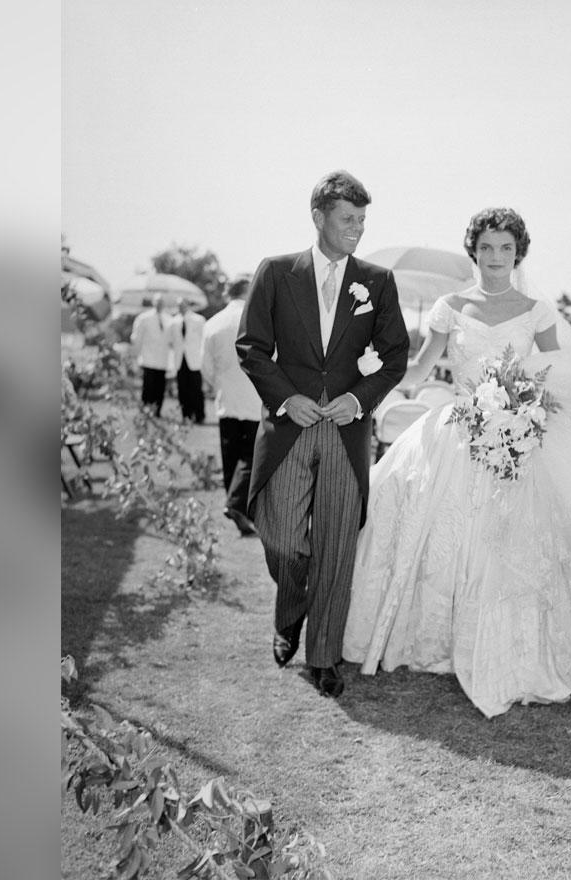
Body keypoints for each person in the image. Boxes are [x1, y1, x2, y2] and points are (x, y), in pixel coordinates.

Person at [342, 207, 571, 718]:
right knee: (426, 521)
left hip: (516, 434)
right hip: (458, 429)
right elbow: (423, 367)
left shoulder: (537, 310)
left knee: (514, 540)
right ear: (474, 250)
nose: (496, 257)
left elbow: (563, 371)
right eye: (487, 247)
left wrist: (527, 403)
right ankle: (436, 638)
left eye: (506, 248)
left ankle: (514, 645)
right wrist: (368, 371)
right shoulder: (450, 306)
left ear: (519, 253)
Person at [236, 170, 410, 698]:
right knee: (283, 536)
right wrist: (288, 398)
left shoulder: (377, 281)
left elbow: (396, 356)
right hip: (289, 427)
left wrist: (358, 400)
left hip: (346, 431)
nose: (356, 228)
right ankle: (290, 609)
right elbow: (251, 347)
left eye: (361, 220)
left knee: (336, 544)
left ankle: (325, 656)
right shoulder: (274, 272)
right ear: (319, 217)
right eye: (346, 219)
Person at [201, 275, 263, 537]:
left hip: (226, 400)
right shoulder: (258, 319)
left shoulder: (213, 323)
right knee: (251, 455)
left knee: (231, 457)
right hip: (254, 398)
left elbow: (204, 367)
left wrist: (220, 384)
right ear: (248, 292)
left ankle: (234, 505)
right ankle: (239, 506)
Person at [130, 294, 175, 417]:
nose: (159, 304)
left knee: (160, 388)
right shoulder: (143, 318)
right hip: (148, 359)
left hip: (162, 360)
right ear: (153, 303)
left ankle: (157, 410)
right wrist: (136, 356)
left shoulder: (169, 319)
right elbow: (136, 338)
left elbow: (172, 340)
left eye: (161, 302)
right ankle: (146, 410)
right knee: (148, 387)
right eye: (157, 302)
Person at [172, 297, 208, 423]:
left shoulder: (199, 320)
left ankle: (199, 415)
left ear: (187, 305)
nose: (180, 307)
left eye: (182, 305)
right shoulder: (174, 321)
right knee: (183, 390)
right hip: (180, 360)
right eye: (178, 305)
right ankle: (186, 415)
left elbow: (205, 339)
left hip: (194, 360)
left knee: (196, 389)